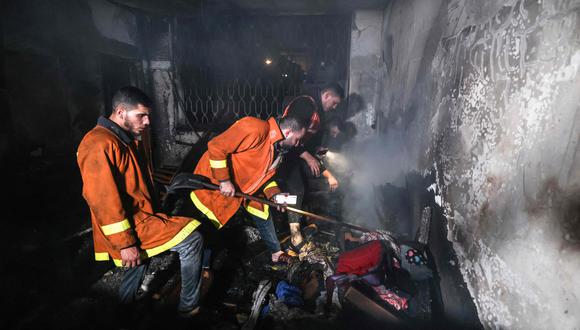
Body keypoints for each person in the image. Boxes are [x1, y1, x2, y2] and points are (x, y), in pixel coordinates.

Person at [76, 86, 204, 319]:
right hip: (129, 225)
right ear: (121, 111)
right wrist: (125, 244)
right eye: (141, 115)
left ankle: (124, 311)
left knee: (140, 259)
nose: (147, 122)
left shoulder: (123, 139)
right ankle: (188, 310)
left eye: (148, 116)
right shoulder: (98, 143)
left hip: (140, 218)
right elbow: (102, 199)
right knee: (192, 240)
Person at [189, 114, 308, 264]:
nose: (297, 144)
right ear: (289, 132)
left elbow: (265, 178)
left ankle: (276, 253)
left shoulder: (278, 152)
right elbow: (216, 146)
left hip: (244, 190)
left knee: (263, 212)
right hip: (213, 186)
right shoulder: (255, 127)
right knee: (206, 228)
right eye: (297, 139)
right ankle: (203, 267)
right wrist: (224, 180)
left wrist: (275, 195)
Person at [276, 82, 344, 258]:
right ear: (327, 95)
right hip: (283, 155)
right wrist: (309, 157)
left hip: (295, 156)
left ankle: (296, 223)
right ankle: (295, 237)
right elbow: (291, 136)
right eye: (334, 102)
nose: (334, 107)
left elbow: (308, 145)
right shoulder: (305, 104)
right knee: (296, 190)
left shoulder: (317, 111)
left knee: (304, 187)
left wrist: (326, 169)